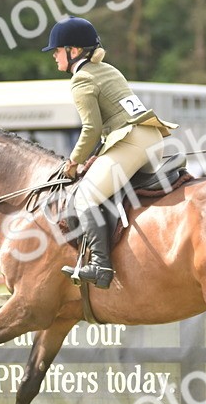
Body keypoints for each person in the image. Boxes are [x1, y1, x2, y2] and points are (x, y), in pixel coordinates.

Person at [41, 17, 178, 288]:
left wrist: (73, 161)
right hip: (151, 138)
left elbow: (91, 129)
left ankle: (100, 266)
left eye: (57, 50)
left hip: (132, 143)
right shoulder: (108, 69)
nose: (54, 56)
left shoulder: (81, 79)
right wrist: (97, 156)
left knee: (84, 197)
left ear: (74, 51)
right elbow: (116, 122)